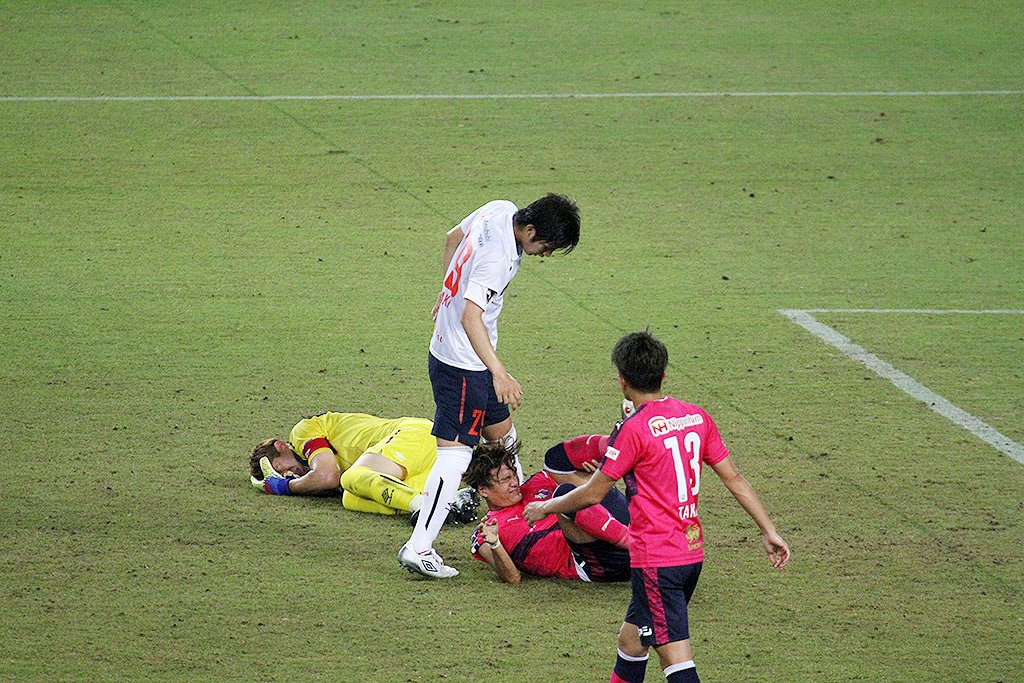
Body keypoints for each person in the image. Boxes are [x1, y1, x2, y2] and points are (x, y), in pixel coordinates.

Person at [524, 331, 790, 683]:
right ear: (664, 374)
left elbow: (592, 494)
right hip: (690, 553)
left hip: (657, 560)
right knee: (631, 641)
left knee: (675, 658)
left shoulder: (633, 430)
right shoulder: (696, 417)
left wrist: (548, 506)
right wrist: (769, 530)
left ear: (622, 380)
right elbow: (734, 478)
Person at [398, 194, 581, 579]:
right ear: (529, 230)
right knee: (454, 457)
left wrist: (447, 290)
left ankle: (521, 520)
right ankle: (419, 546)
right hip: (462, 365)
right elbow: (471, 317)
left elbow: (452, 237)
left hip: (469, 358)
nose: (546, 254)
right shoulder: (499, 259)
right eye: (547, 246)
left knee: (503, 437)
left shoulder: (500, 208)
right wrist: (499, 372)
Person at [248, 411, 478, 522]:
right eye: (282, 476)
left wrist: (282, 487)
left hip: (413, 435)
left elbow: (327, 476)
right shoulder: (311, 468)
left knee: (352, 477)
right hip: (420, 460)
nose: (289, 474)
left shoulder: (302, 432)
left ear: (281, 446)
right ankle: (450, 500)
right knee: (350, 498)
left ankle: (424, 506)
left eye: (280, 468)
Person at [463, 441, 630, 584]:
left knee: (555, 460)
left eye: (514, 475)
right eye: (506, 479)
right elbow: (513, 578)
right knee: (565, 494)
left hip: (615, 535)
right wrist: (495, 543)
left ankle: (620, 441)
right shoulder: (486, 531)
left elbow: (586, 490)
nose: (514, 482)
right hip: (595, 563)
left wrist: (590, 477)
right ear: (483, 490)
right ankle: (636, 542)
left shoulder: (539, 481)